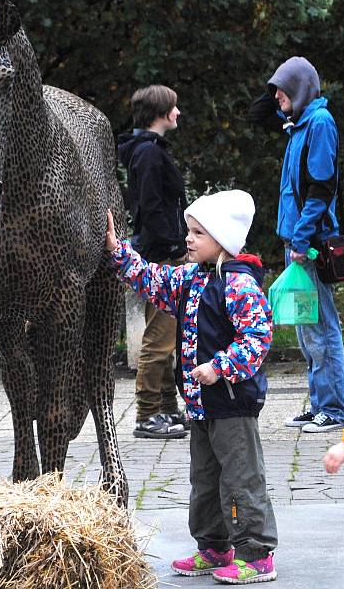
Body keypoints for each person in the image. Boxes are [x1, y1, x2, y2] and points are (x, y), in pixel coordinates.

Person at [106, 190, 278, 584]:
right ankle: (214, 547)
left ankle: (256, 553)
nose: (188, 239)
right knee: (204, 480)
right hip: (200, 406)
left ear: (222, 241)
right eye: (189, 231)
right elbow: (152, 279)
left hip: (232, 404)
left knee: (241, 479)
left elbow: (258, 337)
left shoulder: (238, 284)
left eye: (198, 233)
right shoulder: (190, 278)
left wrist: (220, 367)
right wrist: (119, 251)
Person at [248, 56, 344, 433]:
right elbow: (255, 114)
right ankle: (319, 403)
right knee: (308, 329)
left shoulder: (319, 123)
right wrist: (278, 89)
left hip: (313, 243)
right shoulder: (299, 123)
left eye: (282, 89)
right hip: (299, 240)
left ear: (301, 89)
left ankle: (334, 411)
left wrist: (302, 238)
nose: (275, 97)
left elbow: (321, 189)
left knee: (322, 327)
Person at [117, 84, 188, 439]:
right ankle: (147, 414)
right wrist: (177, 247)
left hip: (160, 252)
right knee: (159, 338)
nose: (178, 113)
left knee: (169, 334)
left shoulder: (151, 150)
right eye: (173, 108)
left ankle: (168, 408)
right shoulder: (148, 154)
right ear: (161, 113)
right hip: (161, 256)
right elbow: (152, 206)